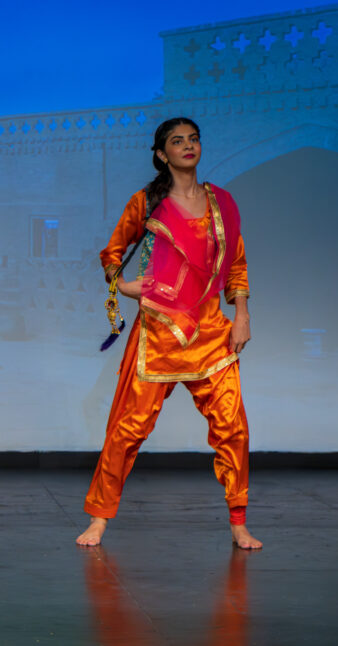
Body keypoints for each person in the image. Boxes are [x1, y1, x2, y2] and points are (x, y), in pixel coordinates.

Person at [76, 117, 262, 550]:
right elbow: (113, 253)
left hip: (212, 331)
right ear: (162, 154)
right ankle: (99, 519)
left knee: (234, 428)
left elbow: (236, 263)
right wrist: (123, 285)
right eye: (177, 141)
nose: (188, 146)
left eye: (194, 139)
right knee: (125, 429)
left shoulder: (222, 203)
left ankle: (238, 522)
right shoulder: (146, 202)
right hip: (157, 332)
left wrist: (243, 314)